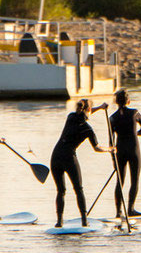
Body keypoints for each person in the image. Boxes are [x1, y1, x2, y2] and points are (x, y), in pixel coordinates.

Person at [50, 97, 109, 228]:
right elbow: (97, 148)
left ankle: (59, 222)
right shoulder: (88, 129)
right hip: (69, 157)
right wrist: (110, 149)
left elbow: (85, 112)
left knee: (61, 191)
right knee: (78, 189)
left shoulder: (70, 117)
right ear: (88, 109)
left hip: (55, 156)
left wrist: (99, 107)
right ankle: (84, 221)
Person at [109, 90, 141, 217]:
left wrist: (113, 159)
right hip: (133, 150)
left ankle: (118, 212)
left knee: (120, 182)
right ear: (128, 101)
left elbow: (111, 141)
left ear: (116, 102)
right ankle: (130, 209)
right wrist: (139, 133)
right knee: (134, 181)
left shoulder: (112, 118)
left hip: (119, 151)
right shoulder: (134, 113)